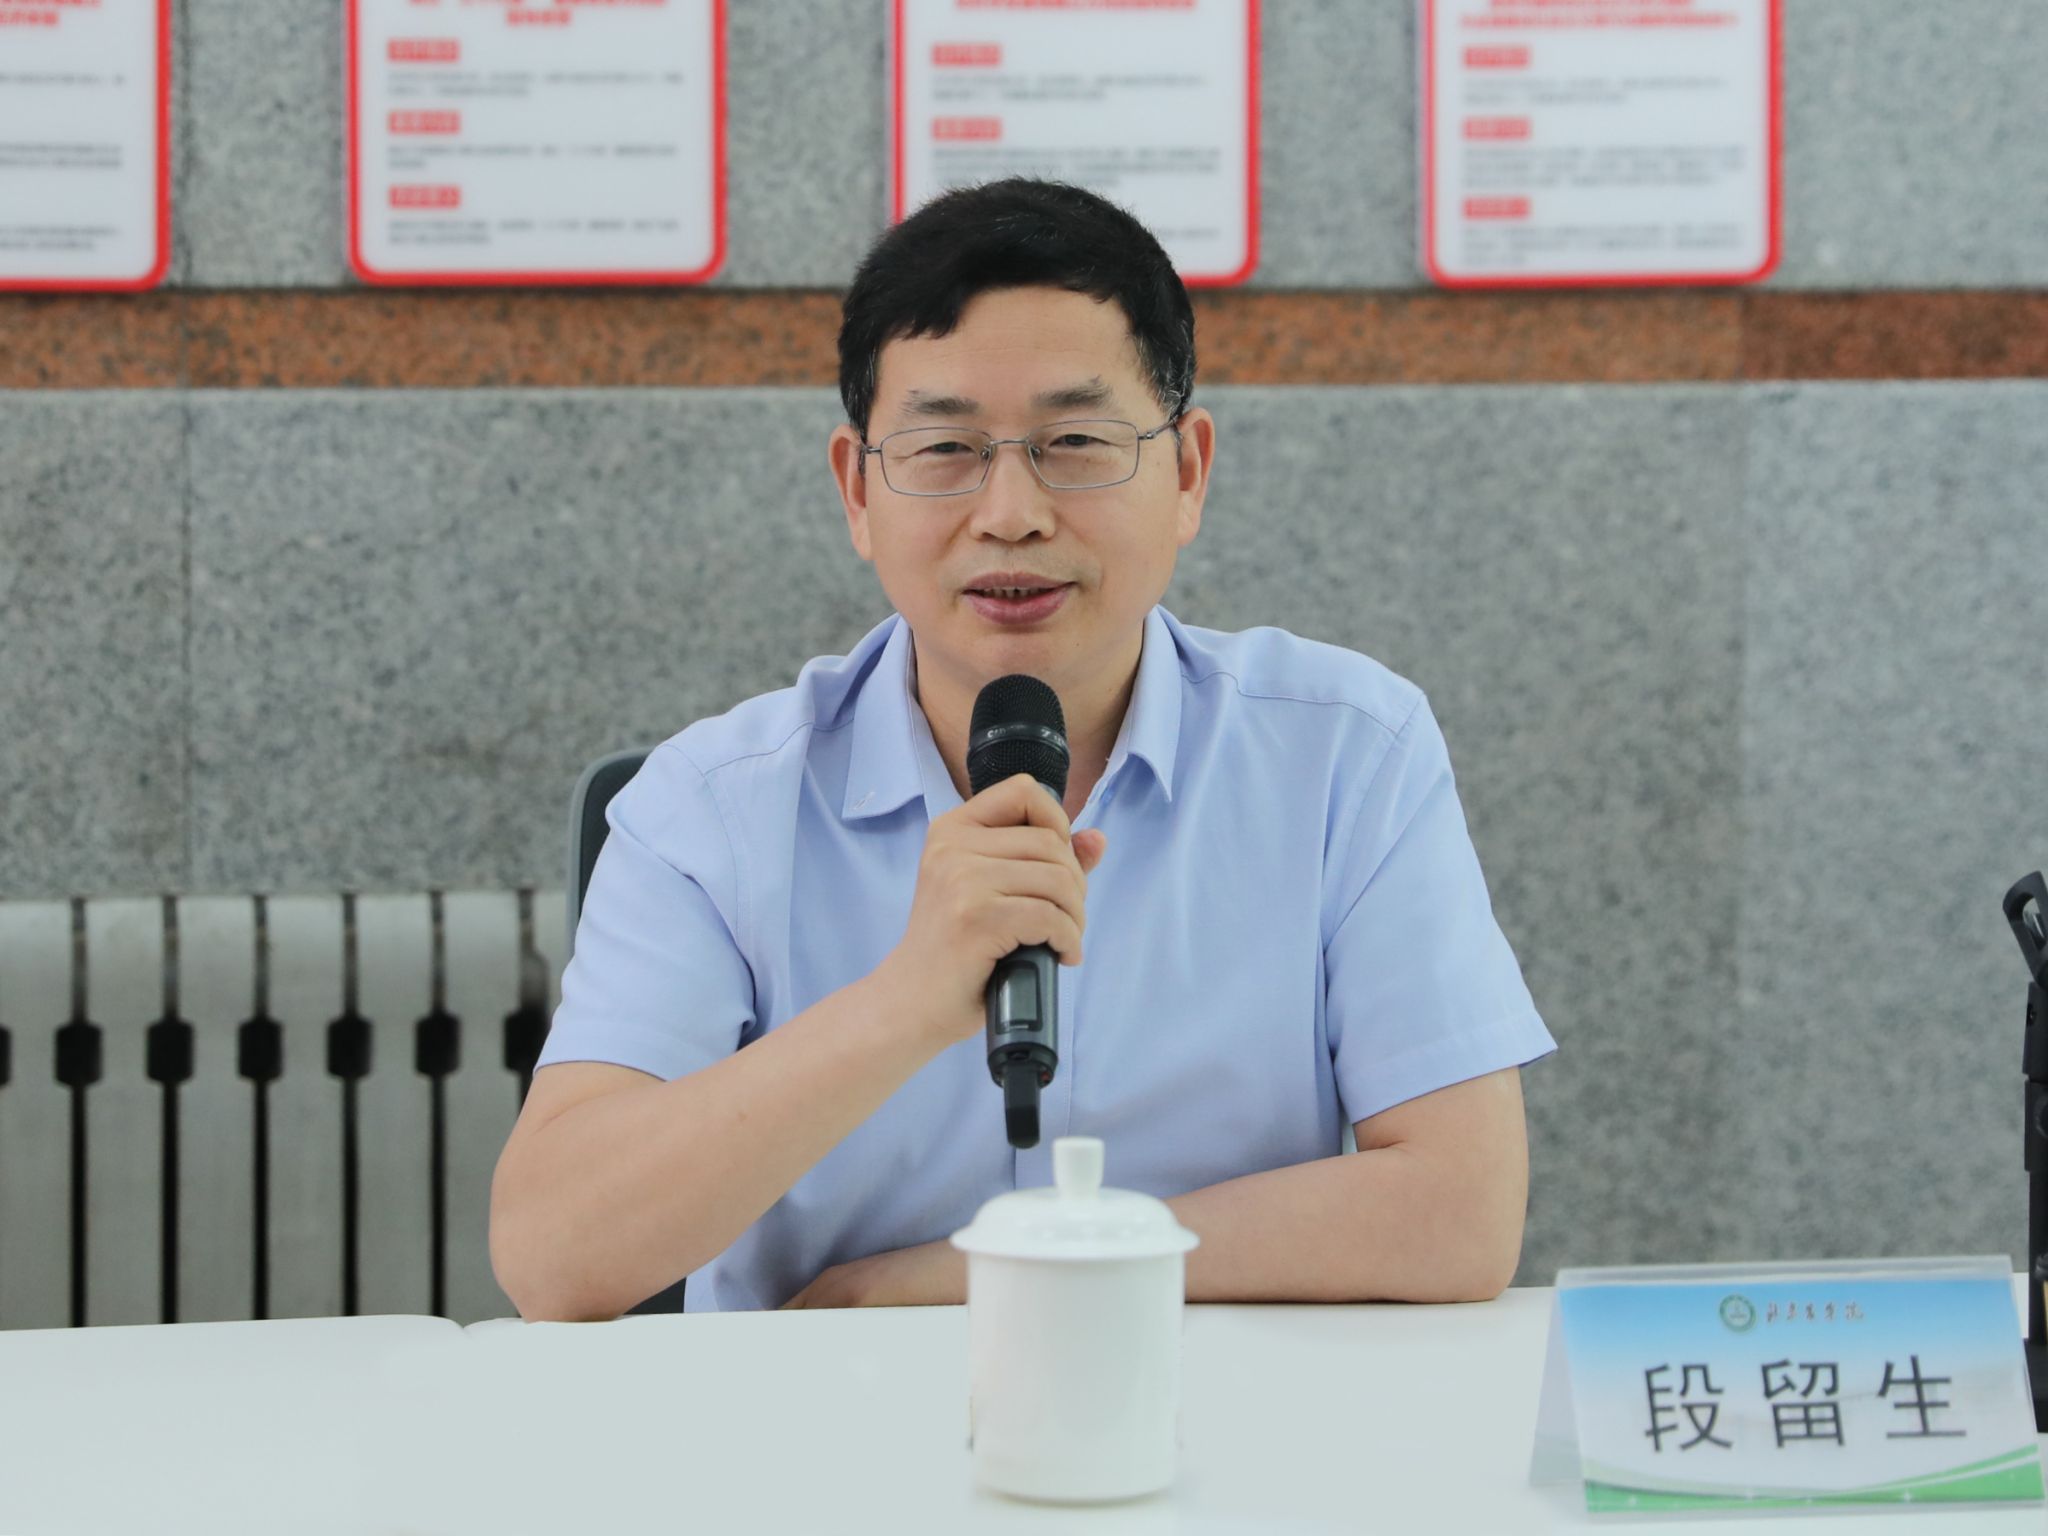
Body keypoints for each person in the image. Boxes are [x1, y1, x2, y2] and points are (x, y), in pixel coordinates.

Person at [489, 178, 1556, 1319]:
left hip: (1211, 1412)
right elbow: (555, 1255)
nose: (1009, 512)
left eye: (1075, 442)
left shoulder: (1345, 754)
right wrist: (904, 1001)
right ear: (857, 491)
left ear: (1187, 473)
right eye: (945, 447)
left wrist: (966, 1280)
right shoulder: (710, 806)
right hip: (823, 1418)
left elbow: (1459, 1208)